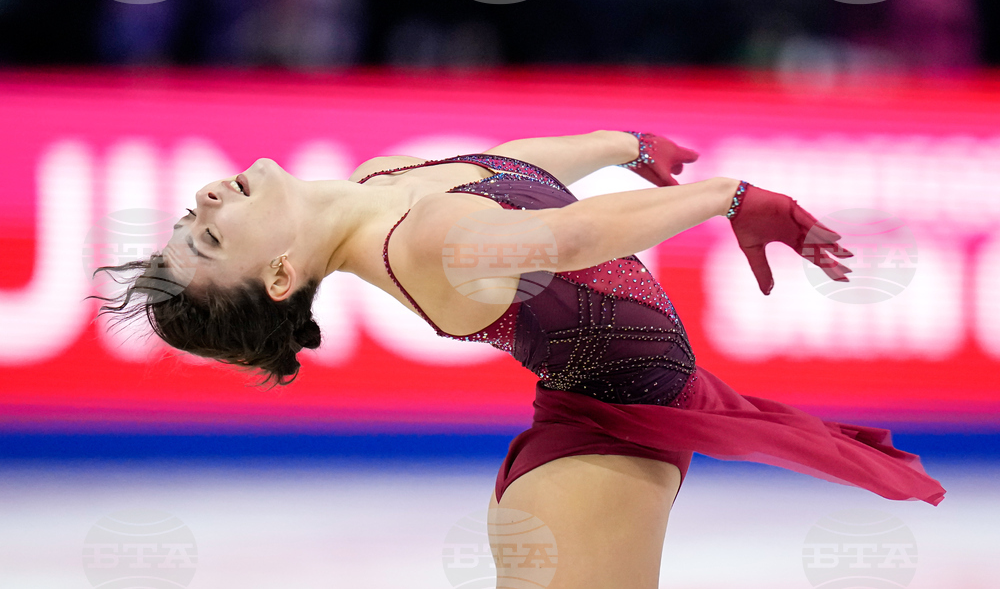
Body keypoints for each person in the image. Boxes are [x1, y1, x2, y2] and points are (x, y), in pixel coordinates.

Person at [94, 130, 945, 589]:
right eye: (207, 238)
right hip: (602, 450)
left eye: (188, 217)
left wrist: (623, 145)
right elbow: (564, 234)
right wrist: (728, 198)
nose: (204, 200)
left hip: (619, 426)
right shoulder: (422, 242)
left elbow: (510, 168)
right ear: (282, 275)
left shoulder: (382, 179)